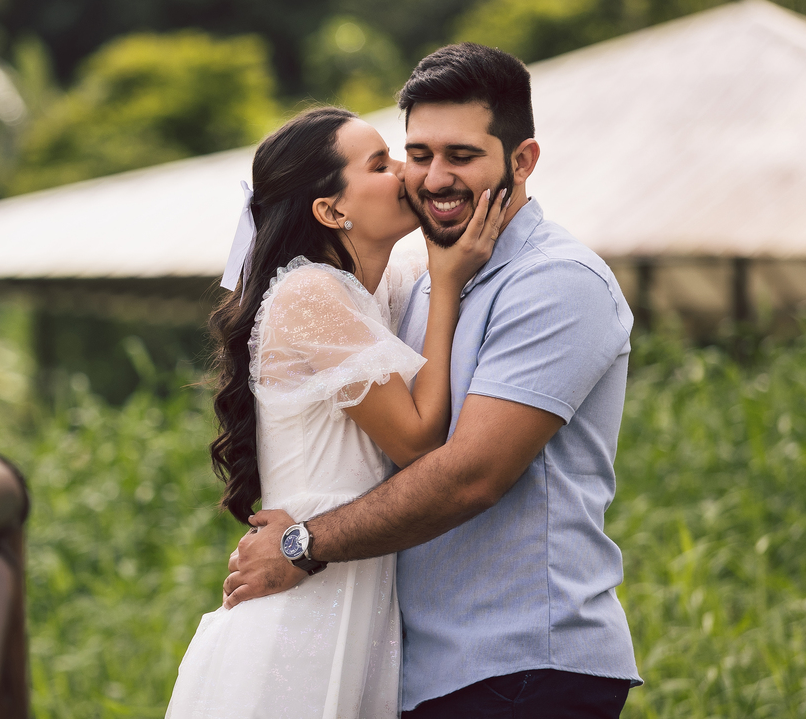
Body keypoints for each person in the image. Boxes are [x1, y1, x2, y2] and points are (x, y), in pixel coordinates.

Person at [223, 43, 642, 718]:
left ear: (522, 160)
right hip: (416, 667)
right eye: (415, 156)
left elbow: (467, 474)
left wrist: (300, 542)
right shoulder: (412, 286)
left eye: (462, 156)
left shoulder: (555, 281)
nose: (431, 178)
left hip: (522, 664)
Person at [164, 106, 505, 718]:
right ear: (330, 210)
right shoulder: (311, 294)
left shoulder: (372, 291)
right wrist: (450, 283)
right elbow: (419, 445)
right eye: (381, 163)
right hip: (306, 609)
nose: (407, 172)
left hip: (349, 592)